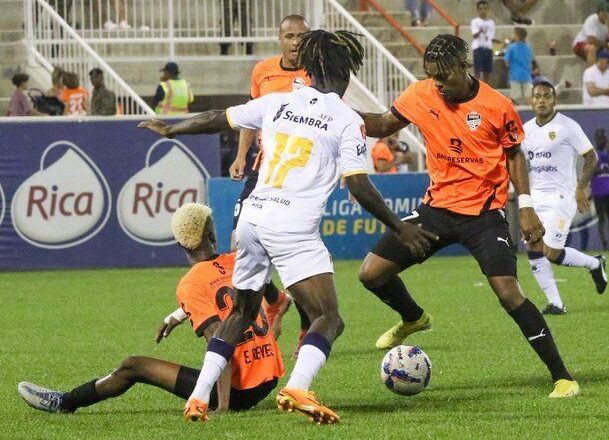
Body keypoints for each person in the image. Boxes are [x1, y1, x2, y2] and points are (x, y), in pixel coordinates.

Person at [139, 30, 435, 424]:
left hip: (253, 218)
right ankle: (297, 387)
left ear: (309, 70)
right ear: (346, 74)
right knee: (328, 317)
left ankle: (198, 396)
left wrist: (173, 129)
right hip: (291, 226)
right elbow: (360, 186)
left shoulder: (278, 101)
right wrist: (400, 227)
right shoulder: (346, 119)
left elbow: (217, 118)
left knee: (241, 312)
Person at [356, 34, 579, 398]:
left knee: (508, 292)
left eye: (443, 76)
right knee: (371, 274)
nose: (438, 84)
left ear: (464, 67)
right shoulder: (421, 94)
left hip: (483, 216)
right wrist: (332, 110)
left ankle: (563, 377)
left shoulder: (497, 105)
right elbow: (382, 125)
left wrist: (525, 205)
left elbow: (514, 155)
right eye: (432, 76)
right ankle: (413, 318)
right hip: (436, 210)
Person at [17, 203, 285, 415]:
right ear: (212, 235)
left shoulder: (191, 283)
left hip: (239, 390)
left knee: (133, 366)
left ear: (180, 244)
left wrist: (222, 405)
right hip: (267, 377)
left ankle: (64, 402)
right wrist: (179, 314)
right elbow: (273, 297)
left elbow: (218, 341)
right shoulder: (238, 260)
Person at [229, 15, 313, 358]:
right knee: (240, 239)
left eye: (301, 37)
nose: (296, 42)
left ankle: (308, 327)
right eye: (290, 36)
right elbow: (250, 116)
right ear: (280, 39)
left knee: (300, 258)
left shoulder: (319, 74)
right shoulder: (262, 71)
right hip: (263, 170)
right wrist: (240, 155)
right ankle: (274, 298)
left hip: (301, 178)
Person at [522, 81, 608, 315]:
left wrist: (581, 187)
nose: (541, 100)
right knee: (533, 246)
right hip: (536, 197)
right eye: (537, 96)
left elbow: (591, 158)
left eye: (547, 96)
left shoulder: (568, 126)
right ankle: (556, 303)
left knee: (550, 251)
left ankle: (594, 263)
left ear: (554, 100)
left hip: (562, 197)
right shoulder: (526, 130)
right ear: (531, 101)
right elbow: (520, 162)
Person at [591, 129, 609, 251]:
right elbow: (593, 170)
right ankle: (604, 244)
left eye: (604, 139)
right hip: (599, 190)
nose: (602, 141)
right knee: (602, 218)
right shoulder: (592, 154)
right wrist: (604, 169)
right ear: (596, 140)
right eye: (600, 139)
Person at [573, 3, 609, 76]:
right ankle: (591, 78)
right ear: (598, 13)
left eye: (608, 12)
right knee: (592, 48)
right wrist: (605, 46)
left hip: (600, 46)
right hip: (581, 44)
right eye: (603, 12)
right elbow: (591, 40)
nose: (606, 14)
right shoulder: (591, 20)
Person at [471, 1, 500, 82]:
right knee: (477, 72)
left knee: (487, 72)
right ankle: (476, 90)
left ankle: (485, 90)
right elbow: (474, 35)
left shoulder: (491, 23)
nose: (483, 11)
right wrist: (480, 31)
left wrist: (499, 42)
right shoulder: (475, 21)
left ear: (488, 10)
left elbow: (491, 37)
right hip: (478, 48)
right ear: (477, 10)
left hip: (488, 48)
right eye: (481, 9)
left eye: (485, 9)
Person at [504, 27, 534, 104]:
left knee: (516, 98)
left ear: (517, 36)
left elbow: (506, 61)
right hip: (527, 75)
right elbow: (530, 61)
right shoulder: (528, 48)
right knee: (529, 97)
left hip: (515, 76)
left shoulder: (511, 47)